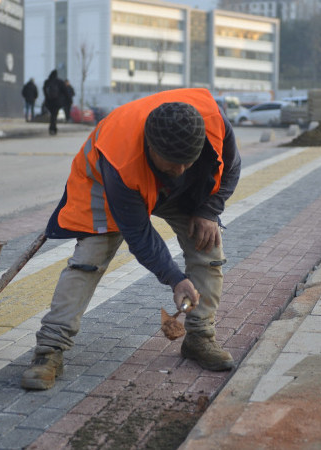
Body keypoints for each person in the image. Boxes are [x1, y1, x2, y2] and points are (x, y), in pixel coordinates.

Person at [20, 88, 242, 390]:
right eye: (170, 163)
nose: (178, 171)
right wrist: (176, 279)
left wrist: (209, 209)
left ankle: (200, 338)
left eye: (186, 163)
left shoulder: (213, 122)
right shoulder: (120, 159)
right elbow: (139, 235)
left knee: (209, 247)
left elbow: (230, 167)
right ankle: (49, 349)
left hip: (180, 195)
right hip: (106, 185)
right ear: (150, 147)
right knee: (89, 260)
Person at [42, 70, 65, 135]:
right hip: (57, 102)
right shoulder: (59, 82)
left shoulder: (47, 82)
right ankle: (53, 128)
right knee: (54, 115)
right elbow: (65, 91)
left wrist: (47, 98)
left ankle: (52, 128)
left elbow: (44, 91)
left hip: (49, 102)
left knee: (53, 115)